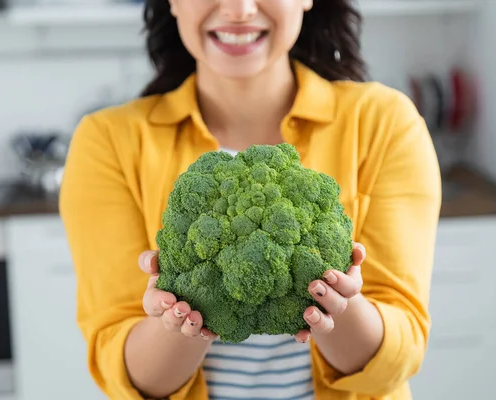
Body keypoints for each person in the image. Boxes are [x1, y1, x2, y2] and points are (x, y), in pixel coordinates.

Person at [59, 0, 442, 399]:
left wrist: (339, 306)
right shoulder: (107, 141)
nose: (239, 9)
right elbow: (126, 377)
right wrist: (182, 315)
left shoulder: (384, 122)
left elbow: (398, 357)